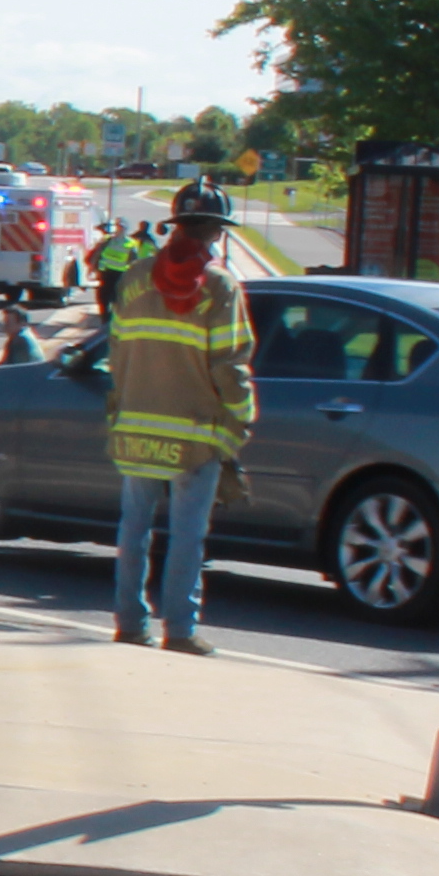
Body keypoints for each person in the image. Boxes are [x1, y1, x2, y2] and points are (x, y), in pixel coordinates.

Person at [103, 178, 254, 652]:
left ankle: (129, 624)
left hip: (136, 430)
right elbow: (230, 366)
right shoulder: (220, 287)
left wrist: (119, 413)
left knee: (134, 530)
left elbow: (117, 352)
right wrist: (239, 425)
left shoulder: (134, 278)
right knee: (187, 537)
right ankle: (181, 631)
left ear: (176, 224)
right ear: (216, 232)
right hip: (194, 436)